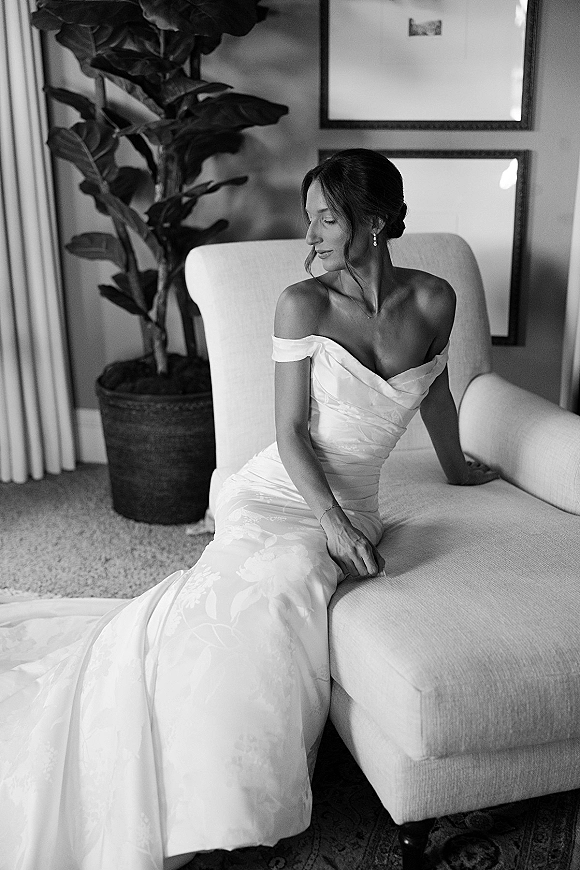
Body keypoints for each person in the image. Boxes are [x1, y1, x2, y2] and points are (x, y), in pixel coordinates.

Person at [0, 149, 498, 870]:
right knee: (271, 588)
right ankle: (204, 792)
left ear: (377, 221)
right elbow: (290, 433)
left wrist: (458, 470)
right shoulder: (305, 301)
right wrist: (330, 522)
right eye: (310, 219)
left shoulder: (435, 300)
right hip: (280, 492)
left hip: (354, 500)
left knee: (273, 590)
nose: (313, 235)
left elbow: (439, 393)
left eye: (327, 217)